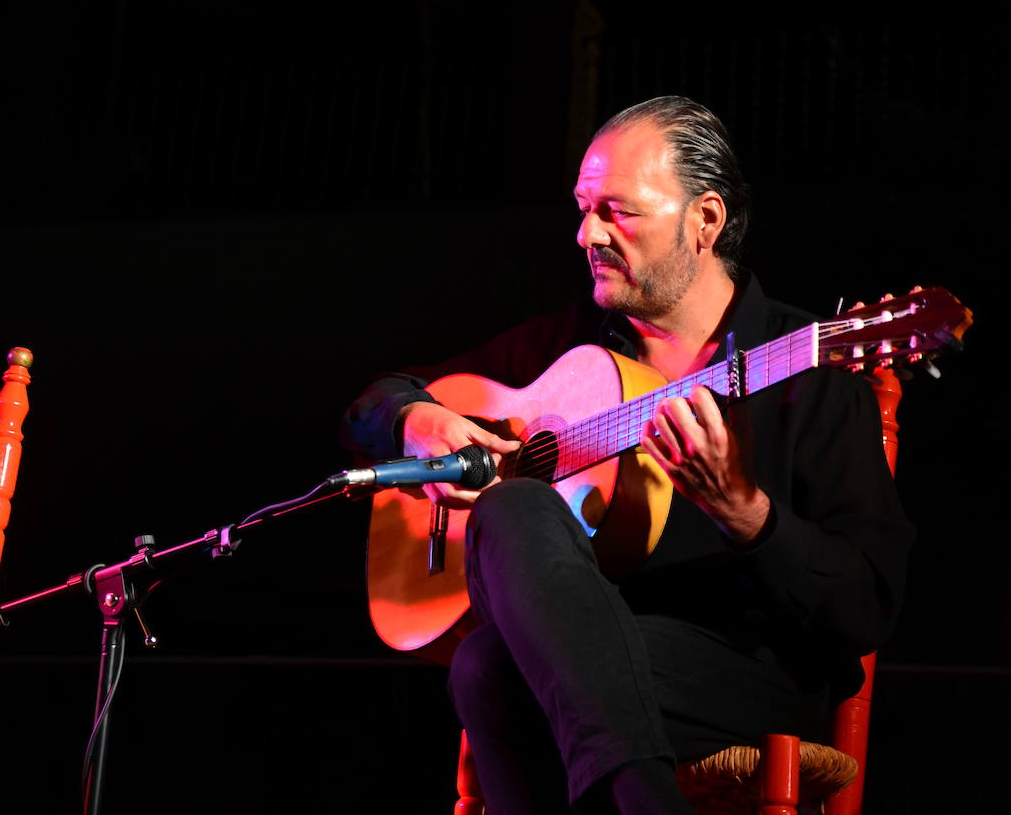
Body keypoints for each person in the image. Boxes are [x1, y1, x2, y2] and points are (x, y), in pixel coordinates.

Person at [341, 96, 913, 814]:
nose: (587, 234)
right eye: (584, 210)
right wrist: (414, 420)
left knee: (492, 664)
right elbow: (373, 403)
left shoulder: (812, 374)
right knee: (500, 609)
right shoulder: (567, 346)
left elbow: (864, 607)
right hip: (574, 664)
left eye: (618, 211)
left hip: (741, 674)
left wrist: (746, 514)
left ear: (705, 220)